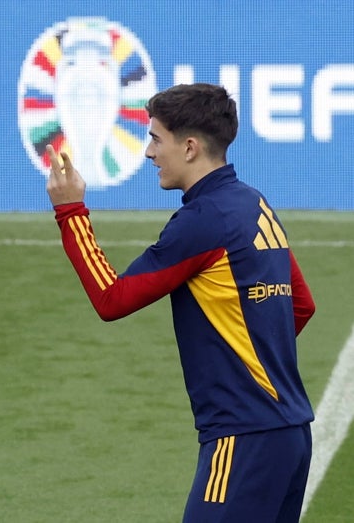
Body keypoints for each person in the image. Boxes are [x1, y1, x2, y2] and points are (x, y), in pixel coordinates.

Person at [45, 83, 315, 522]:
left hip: (242, 438)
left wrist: (71, 212)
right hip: (290, 437)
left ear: (189, 147)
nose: (150, 153)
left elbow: (112, 299)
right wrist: (247, 355)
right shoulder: (254, 204)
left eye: (155, 139)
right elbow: (299, 305)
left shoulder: (204, 221)